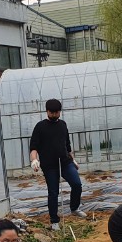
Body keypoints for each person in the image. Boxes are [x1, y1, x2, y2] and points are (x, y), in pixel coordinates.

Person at [28, 98, 83, 232]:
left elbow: (67, 145)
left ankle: (74, 208)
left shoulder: (63, 125)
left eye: (56, 112)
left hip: (65, 162)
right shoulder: (40, 127)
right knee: (53, 192)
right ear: (47, 112)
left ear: (60, 112)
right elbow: (33, 147)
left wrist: (73, 159)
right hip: (49, 165)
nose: (53, 115)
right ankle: (54, 221)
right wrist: (34, 160)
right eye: (51, 112)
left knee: (77, 184)